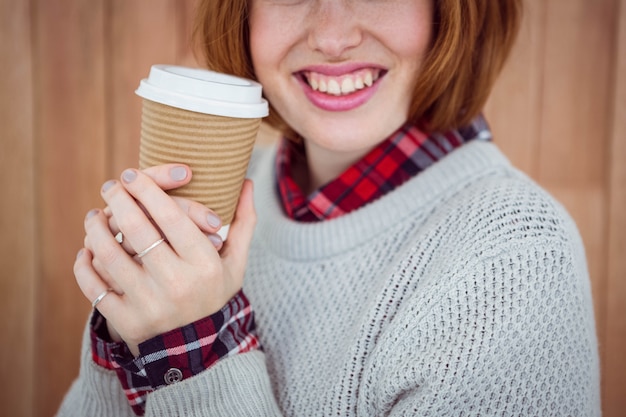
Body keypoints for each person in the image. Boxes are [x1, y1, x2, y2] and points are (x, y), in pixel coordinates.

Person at [58, 0, 601, 415]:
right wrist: (134, 325)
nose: (333, 37)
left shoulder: (516, 258)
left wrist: (197, 351)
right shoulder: (228, 190)